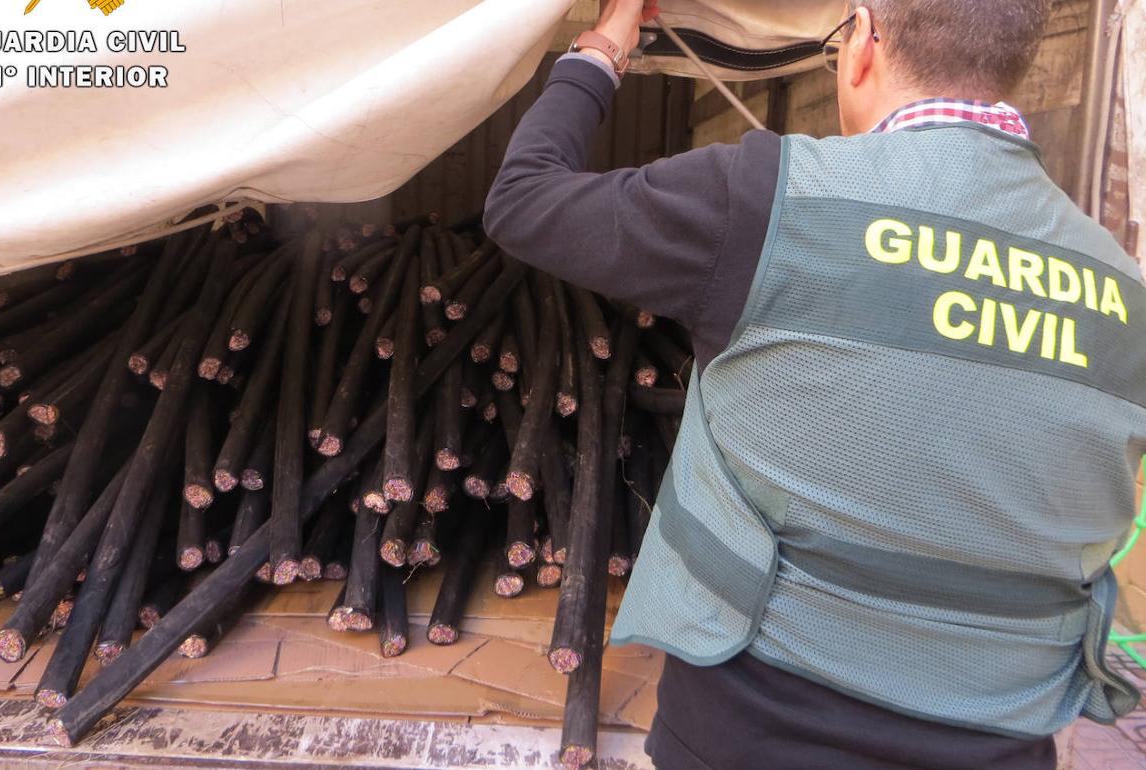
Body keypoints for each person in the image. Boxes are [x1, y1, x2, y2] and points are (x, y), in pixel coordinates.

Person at [482, 1, 1146, 768]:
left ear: (863, 42)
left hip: (750, 734)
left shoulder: (770, 198)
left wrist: (608, 39)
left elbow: (524, 197)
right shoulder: (1123, 287)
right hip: (1003, 746)